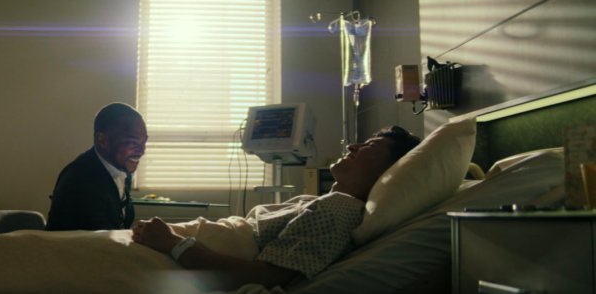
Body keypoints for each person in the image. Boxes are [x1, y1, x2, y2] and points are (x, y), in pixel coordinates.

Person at [132, 126, 421, 291]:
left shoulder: (339, 209)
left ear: (388, 171)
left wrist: (173, 243)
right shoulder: (328, 203)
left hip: (180, 253)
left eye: (370, 145)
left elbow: (266, 277)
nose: (353, 146)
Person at [45, 103, 148, 231]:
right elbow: (99, 238)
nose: (142, 151)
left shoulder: (119, 170)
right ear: (102, 140)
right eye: (132, 142)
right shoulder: (80, 181)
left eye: (144, 142)